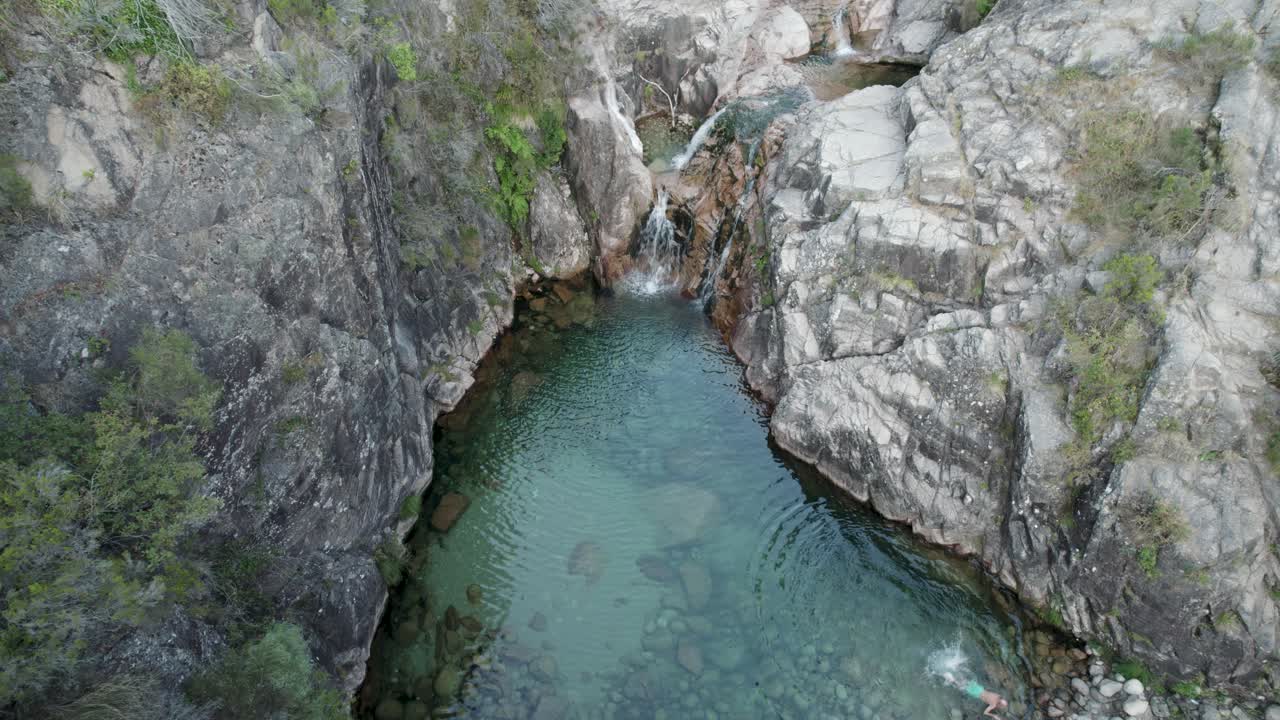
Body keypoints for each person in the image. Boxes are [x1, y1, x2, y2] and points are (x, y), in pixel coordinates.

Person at [943, 671, 1010, 719]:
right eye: (1002, 705)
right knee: (960, 686)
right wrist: (993, 715)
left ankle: (954, 670)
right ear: (1000, 704)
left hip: (980, 688)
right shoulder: (993, 705)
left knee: (965, 682)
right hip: (976, 693)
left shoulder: (998, 696)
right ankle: (951, 679)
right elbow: (985, 713)